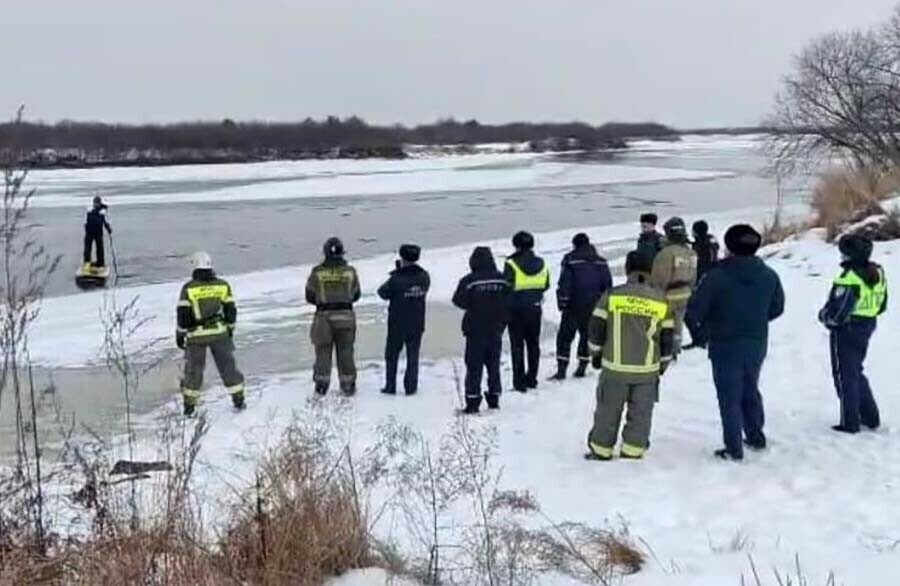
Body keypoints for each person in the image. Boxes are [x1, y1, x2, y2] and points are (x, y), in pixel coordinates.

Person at [686, 224, 784, 461]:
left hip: (724, 342)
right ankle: (755, 436)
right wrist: (756, 319)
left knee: (729, 395)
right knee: (750, 388)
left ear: (729, 246)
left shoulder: (716, 277)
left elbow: (693, 312)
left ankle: (733, 448)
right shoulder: (769, 275)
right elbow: (777, 308)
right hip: (757, 341)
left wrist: (701, 336)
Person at [585, 252, 675, 461]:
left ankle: (601, 450)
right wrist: (662, 365)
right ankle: (633, 450)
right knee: (641, 414)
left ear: (627, 270)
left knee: (607, 410)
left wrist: (596, 354)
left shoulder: (612, 296)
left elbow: (596, 329)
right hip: (646, 371)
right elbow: (667, 339)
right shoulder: (662, 302)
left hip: (615, 368)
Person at [818, 234, 887, 434]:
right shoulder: (878, 272)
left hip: (847, 329)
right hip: (868, 323)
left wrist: (825, 317)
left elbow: (839, 311)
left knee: (844, 375)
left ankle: (850, 421)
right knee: (856, 370)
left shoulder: (848, 277)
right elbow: (882, 303)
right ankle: (870, 416)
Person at [176, 251, 245, 416]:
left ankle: (189, 406)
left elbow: (183, 318)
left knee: (194, 371)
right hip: (220, 333)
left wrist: (180, 335)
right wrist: (230, 329)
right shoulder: (222, 285)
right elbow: (231, 311)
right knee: (228, 367)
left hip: (196, 337)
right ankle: (238, 398)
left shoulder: (189, 288)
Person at [452, 246, 510, 414]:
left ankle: (472, 401)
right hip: (496, 327)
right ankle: (494, 398)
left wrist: (474, 305)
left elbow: (458, 301)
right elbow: (509, 297)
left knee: (474, 366)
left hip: (475, 328)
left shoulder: (469, 281)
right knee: (493, 365)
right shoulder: (502, 279)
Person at [550, 233, 613, 380]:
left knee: (565, 337)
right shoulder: (601, 262)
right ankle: (582, 367)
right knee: (586, 335)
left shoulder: (570, 260)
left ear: (574, 245)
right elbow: (607, 285)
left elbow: (565, 282)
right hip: (594, 304)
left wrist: (563, 301)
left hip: (573, 304)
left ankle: (561, 369)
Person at [306, 237, 361, 396]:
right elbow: (356, 294)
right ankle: (348, 384)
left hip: (323, 317)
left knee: (322, 351)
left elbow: (309, 295)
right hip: (346, 316)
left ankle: (322, 384)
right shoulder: (350, 272)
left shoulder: (317, 272)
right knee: (346, 352)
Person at [378, 244, 430, 396]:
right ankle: (411, 386)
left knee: (392, 355)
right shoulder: (424, 276)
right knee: (413, 356)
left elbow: (382, 292)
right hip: (417, 322)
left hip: (397, 323)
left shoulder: (396, 279)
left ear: (403, 258)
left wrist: (397, 272)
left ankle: (390, 385)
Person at [503, 231, 550, 392]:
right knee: (533, 344)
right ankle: (532, 378)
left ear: (516, 245)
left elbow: (506, 286)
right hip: (535, 308)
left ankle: (519, 382)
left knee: (517, 345)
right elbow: (546, 284)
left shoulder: (511, 263)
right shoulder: (541, 263)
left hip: (515, 310)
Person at [651, 217, 698, 353]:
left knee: (664, 325)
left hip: (668, 295)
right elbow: (693, 276)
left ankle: (665, 351)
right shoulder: (691, 253)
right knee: (678, 324)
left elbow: (660, 278)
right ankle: (675, 348)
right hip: (685, 294)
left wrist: (655, 294)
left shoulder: (666, 253)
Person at [83, 196, 112, 270]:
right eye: (95, 203)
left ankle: (100, 263)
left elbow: (105, 221)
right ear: (93, 203)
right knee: (87, 249)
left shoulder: (102, 211)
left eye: (98, 203)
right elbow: (86, 220)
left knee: (100, 248)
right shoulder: (89, 210)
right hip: (89, 232)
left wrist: (108, 228)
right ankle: (87, 264)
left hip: (98, 232)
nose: (96, 204)